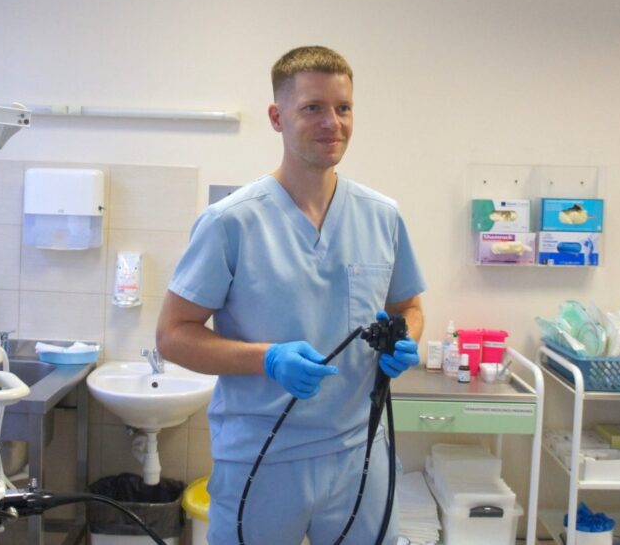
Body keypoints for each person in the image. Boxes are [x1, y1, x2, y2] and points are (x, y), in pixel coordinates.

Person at [156, 45, 425, 544]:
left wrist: (405, 337)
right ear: (277, 117)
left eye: (343, 107)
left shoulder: (381, 216)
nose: (333, 123)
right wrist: (268, 359)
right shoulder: (231, 222)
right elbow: (173, 335)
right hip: (263, 457)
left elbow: (406, 306)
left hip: (361, 453)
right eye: (313, 107)